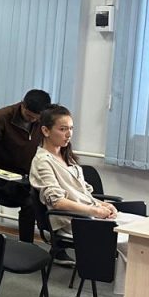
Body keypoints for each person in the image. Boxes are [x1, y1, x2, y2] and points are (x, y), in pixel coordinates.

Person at [28, 105, 118, 264]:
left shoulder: (66, 156)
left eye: (71, 128)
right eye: (63, 129)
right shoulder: (43, 162)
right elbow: (57, 202)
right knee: (127, 239)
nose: (69, 134)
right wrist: (94, 210)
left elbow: (81, 194)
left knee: (135, 229)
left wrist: (103, 204)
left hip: (87, 215)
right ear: (46, 131)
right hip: (73, 221)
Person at [0, 89, 52, 243]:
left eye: (36, 117)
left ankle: (28, 245)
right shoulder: (1, 117)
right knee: (30, 201)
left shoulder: (42, 121)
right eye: (29, 115)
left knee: (41, 199)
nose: (32, 120)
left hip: (23, 177)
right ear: (23, 104)